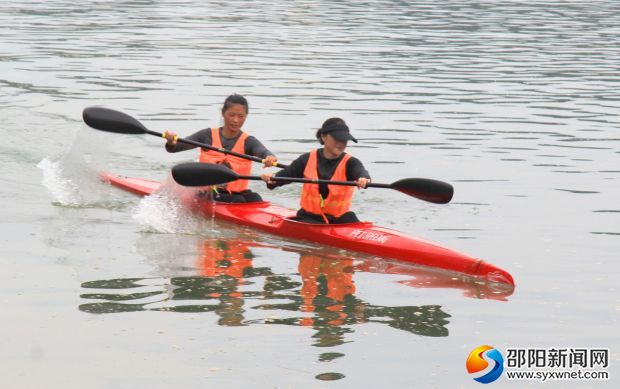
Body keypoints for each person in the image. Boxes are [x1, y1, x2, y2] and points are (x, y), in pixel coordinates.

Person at [163, 94, 277, 203]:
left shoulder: (248, 141)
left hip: (237, 193)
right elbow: (175, 148)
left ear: (246, 116)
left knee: (256, 198)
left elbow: (262, 151)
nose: (236, 120)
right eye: (231, 115)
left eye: (241, 116)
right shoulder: (206, 136)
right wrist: (171, 142)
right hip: (207, 193)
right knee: (238, 201)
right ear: (223, 113)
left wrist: (269, 158)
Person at [261, 118, 370, 224]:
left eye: (344, 140)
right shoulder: (306, 159)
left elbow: (361, 172)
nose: (341, 143)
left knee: (350, 217)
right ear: (323, 137)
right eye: (337, 139)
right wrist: (271, 178)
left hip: (339, 220)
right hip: (308, 218)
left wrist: (364, 178)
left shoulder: (351, 163)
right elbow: (282, 177)